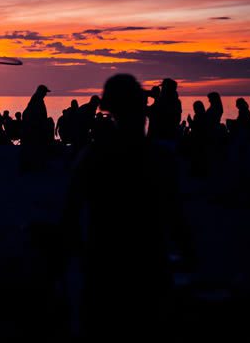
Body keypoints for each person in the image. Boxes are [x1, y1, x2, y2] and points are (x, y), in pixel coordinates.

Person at [62, 74, 192, 339]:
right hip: (148, 267)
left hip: (104, 265)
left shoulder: (93, 157)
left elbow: (70, 217)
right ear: (142, 108)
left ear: (108, 109)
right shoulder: (160, 159)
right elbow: (177, 220)